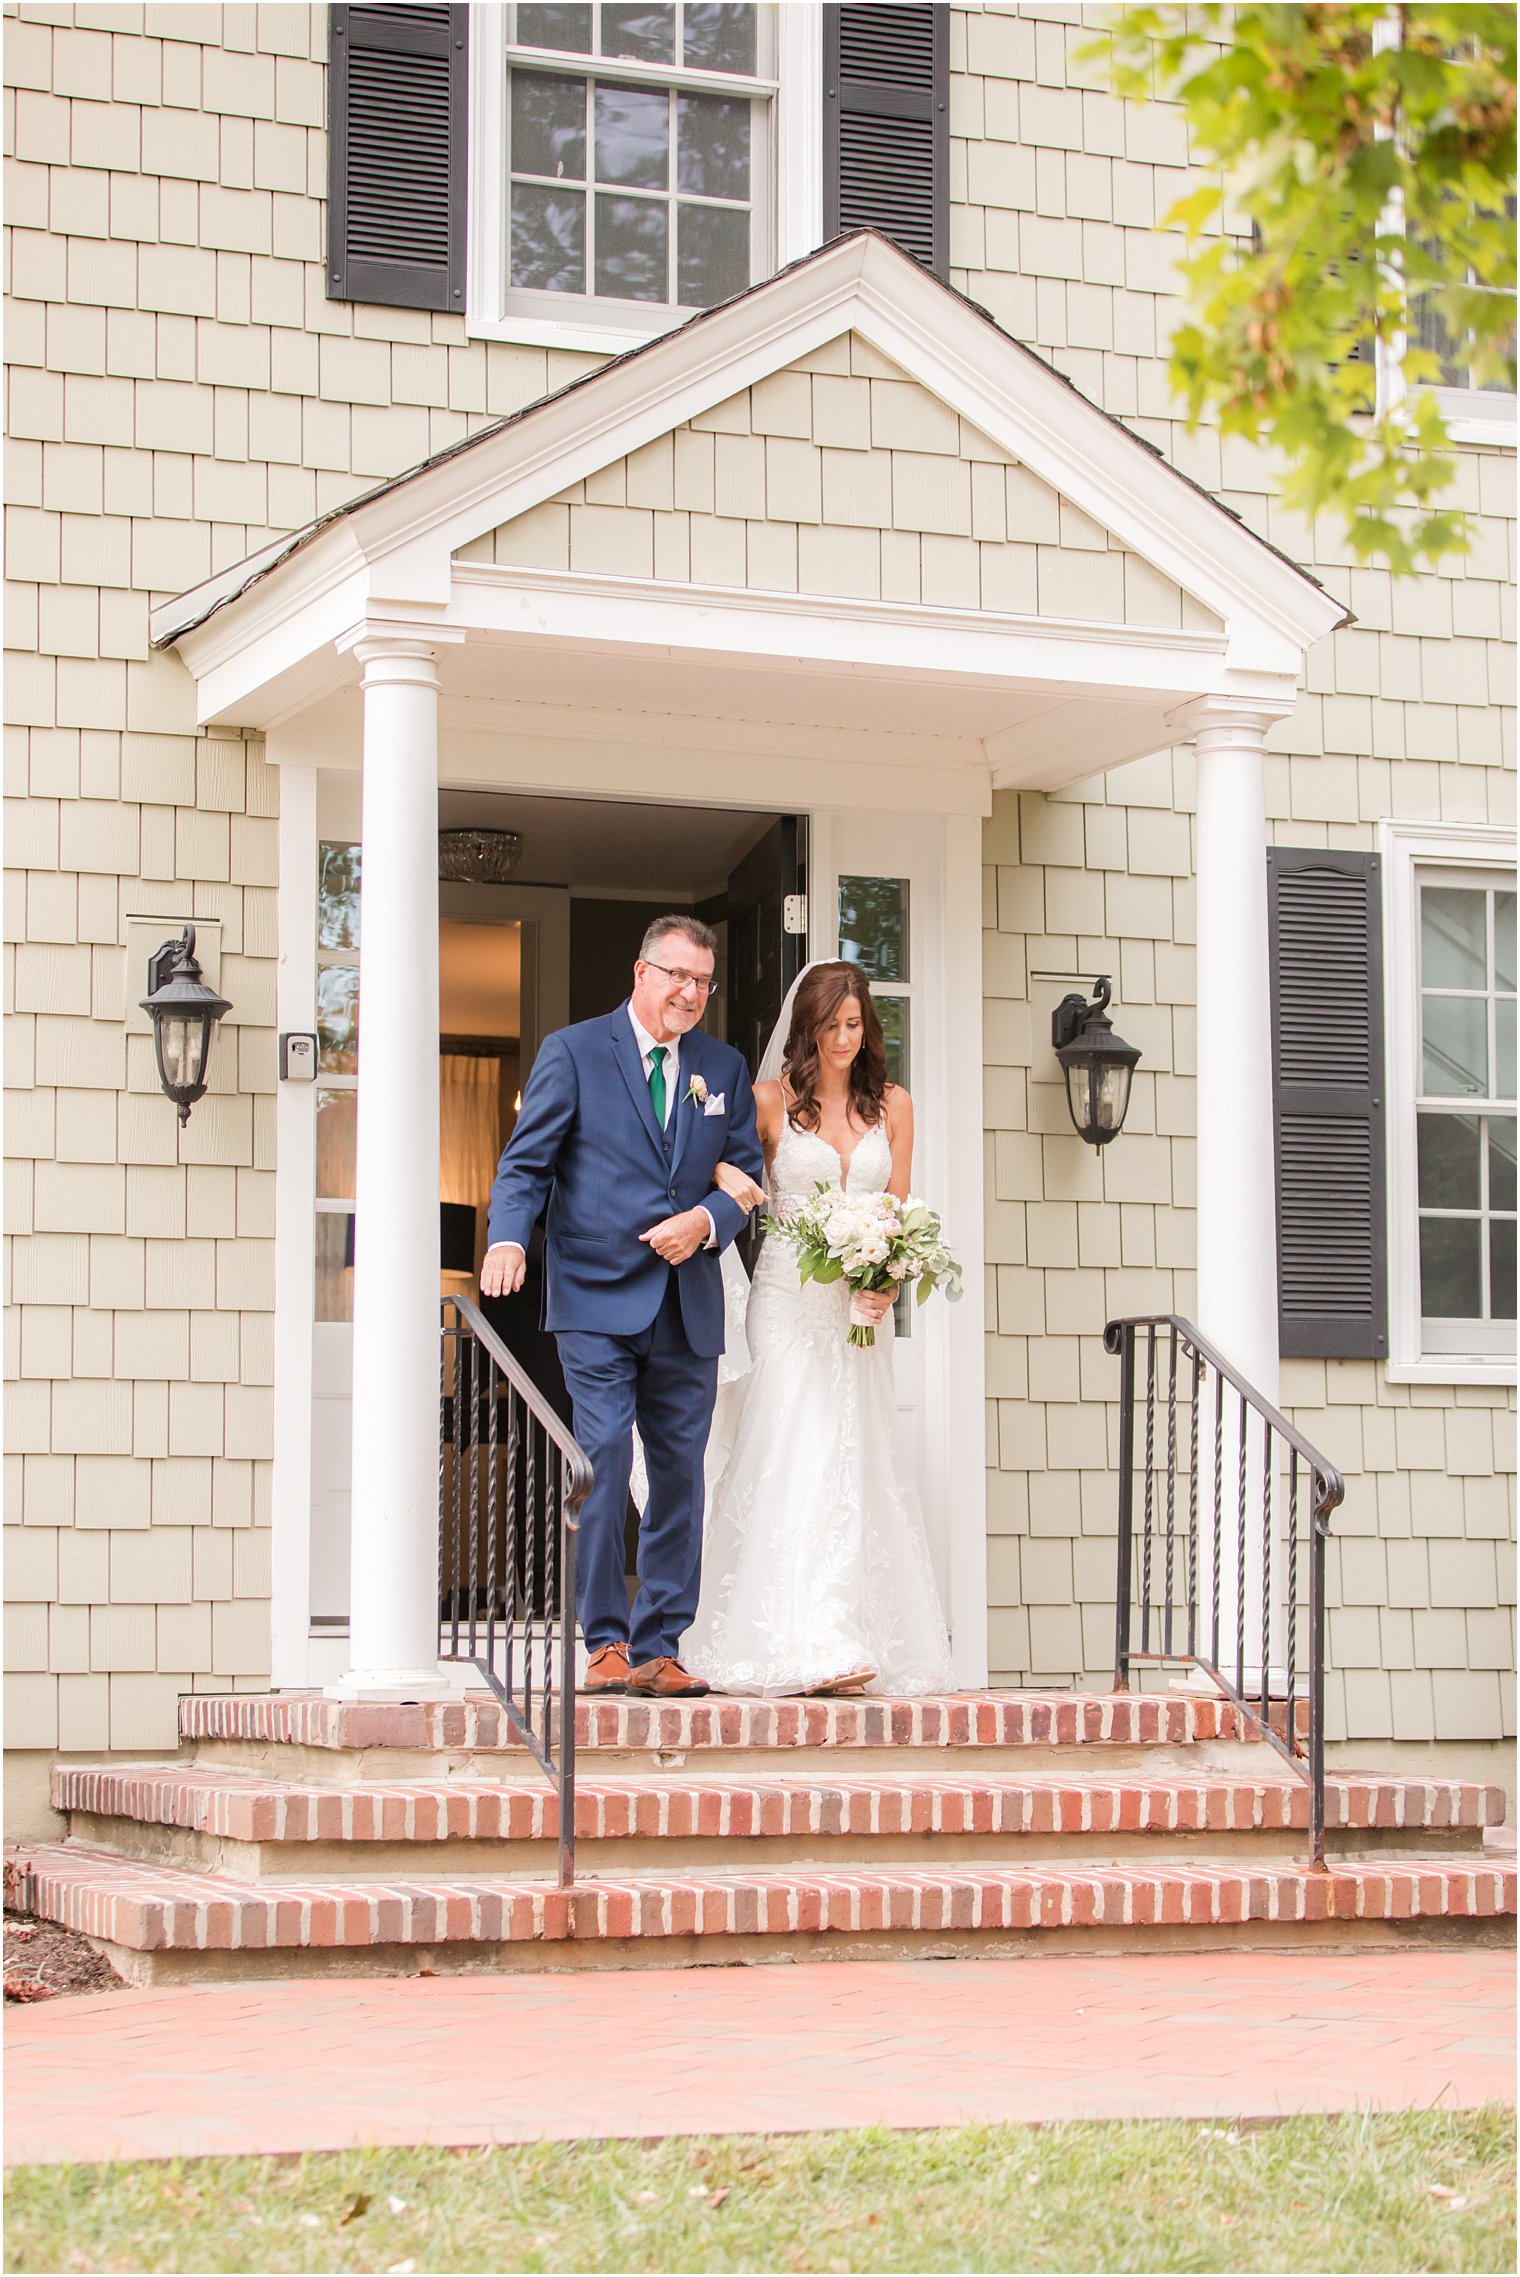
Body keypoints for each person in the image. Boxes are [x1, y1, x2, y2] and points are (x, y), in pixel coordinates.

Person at [481, 917, 764, 1700]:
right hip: (596, 1299)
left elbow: (743, 1173)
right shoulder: (572, 1053)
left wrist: (706, 1221)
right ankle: (604, 1639)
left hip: (688, 1303)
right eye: (678, 975)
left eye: (703, 981)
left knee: (679, 1477)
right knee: (603, 1461)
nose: (691, 993)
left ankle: (659, 1644)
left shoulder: (723, 1067)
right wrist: (508, 1239)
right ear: (641, 972)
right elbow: (526, 1163)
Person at [681, 960, 954, 1698]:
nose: (843, 1037)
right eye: (831, 1024)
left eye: (855, 1023)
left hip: (856, 1312)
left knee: (856, 1453)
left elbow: (896, 1212)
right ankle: (797, 1633)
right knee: (791, 1450)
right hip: (787, 1303)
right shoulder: (769, 1103)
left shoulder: (894, 1105)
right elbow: (725, 1184)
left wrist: (885, 1284)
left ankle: (847, 1631)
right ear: (807, 1025)